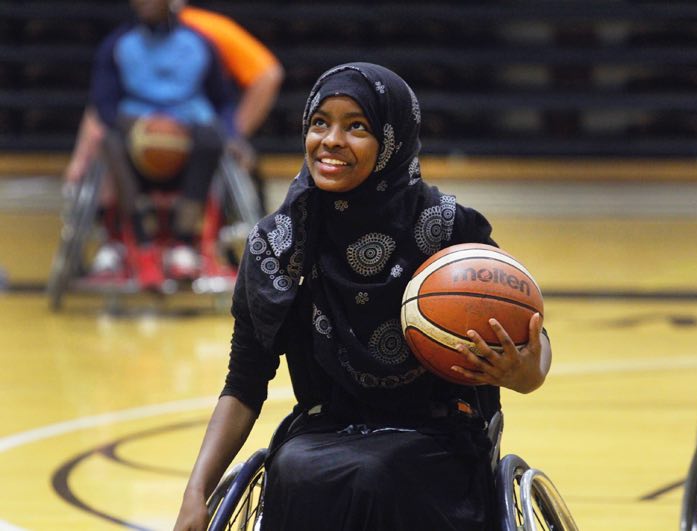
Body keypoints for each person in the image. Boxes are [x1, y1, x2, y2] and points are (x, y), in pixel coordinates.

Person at [174, 63, 552, 531]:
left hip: (438, 433)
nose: (331, 140)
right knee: (292, 470)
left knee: (377, 474)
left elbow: (532, 342)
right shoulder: (278, 244)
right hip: (324, 428)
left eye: (356, 126)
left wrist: (525, 371)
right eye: (320, 123)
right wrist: (196, 492)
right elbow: (244, 381)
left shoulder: (449, 228)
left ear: (392, 141)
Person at [64, 0, 284, 284]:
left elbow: (222, 101)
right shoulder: (117, 45)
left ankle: (183, 243)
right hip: (134, 144)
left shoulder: (201, 42)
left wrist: (232, 136)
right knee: (111, 140)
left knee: (210, 137)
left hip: (189, 145)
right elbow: (103, 105)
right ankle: (139, 243)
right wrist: (135, 129)